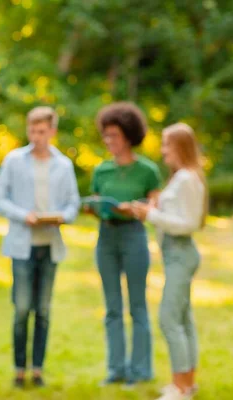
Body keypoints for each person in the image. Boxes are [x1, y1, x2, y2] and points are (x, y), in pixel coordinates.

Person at [0, 106, 80, 388]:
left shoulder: (64, 165)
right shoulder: (14, 160)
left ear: (52, 132)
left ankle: (38, 369)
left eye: (42, 131)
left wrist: (63, 216)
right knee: (21, 310)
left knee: (43, 310)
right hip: (22, 246)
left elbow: (74, 204)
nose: (37, 136)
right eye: (32, 130)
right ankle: (19, 369)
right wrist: (22, 215)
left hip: (50, 245)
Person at [131, 123, 208, 400]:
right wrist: (150, 208)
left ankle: (181, 388)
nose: (163, 151)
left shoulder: (187, 178)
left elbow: (188, 224)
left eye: (166, 145)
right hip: (174, 254)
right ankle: (186, 382)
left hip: (181, 253)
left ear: (180, 147)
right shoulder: (181, 178)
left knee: (169, 319)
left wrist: (150, 216)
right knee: (184, 320)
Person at [89, 102, 162, 387]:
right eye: (106, 135)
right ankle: (116, 369)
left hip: (133, 234)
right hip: (106, 236)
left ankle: (141, 370)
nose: (109, 141)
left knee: (138, 306)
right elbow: (96, 201)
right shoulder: (101, 170)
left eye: (114, 135)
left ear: (129, 136)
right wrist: (93, 208)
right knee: (112, 308)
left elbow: (155, 204)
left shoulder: (147, 170)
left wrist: (134, 207)